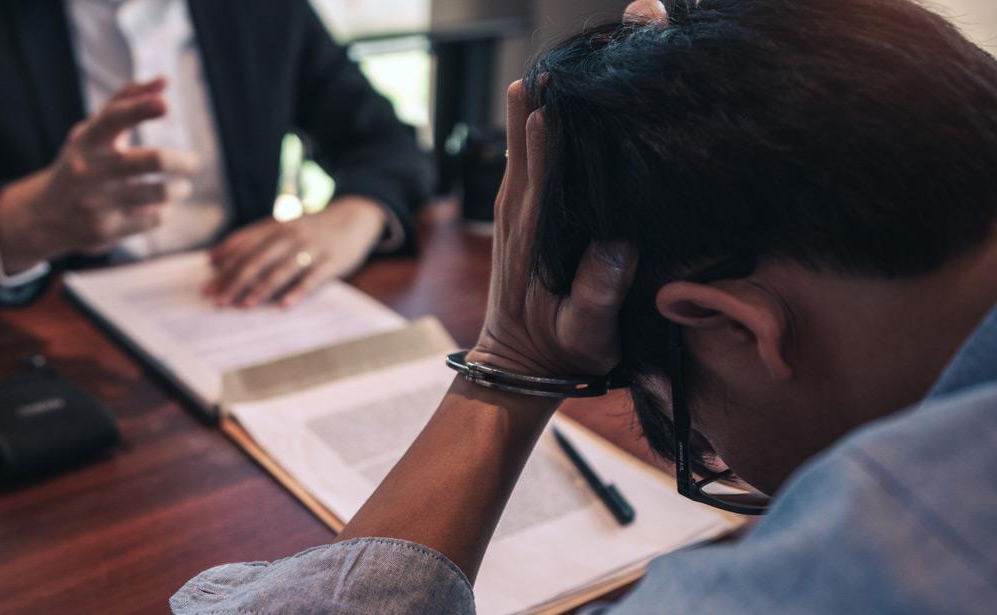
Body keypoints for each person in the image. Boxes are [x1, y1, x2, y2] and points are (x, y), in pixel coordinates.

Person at [169, 0, 997, 612]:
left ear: (737, 325)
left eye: (691, 434)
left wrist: (509, 362)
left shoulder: (877, 551)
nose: (703, 448)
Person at [0, 0, 432, 318]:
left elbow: (387, 140)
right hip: (46, 362)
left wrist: (355, 214)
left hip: (249, 318)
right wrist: (30, 221)